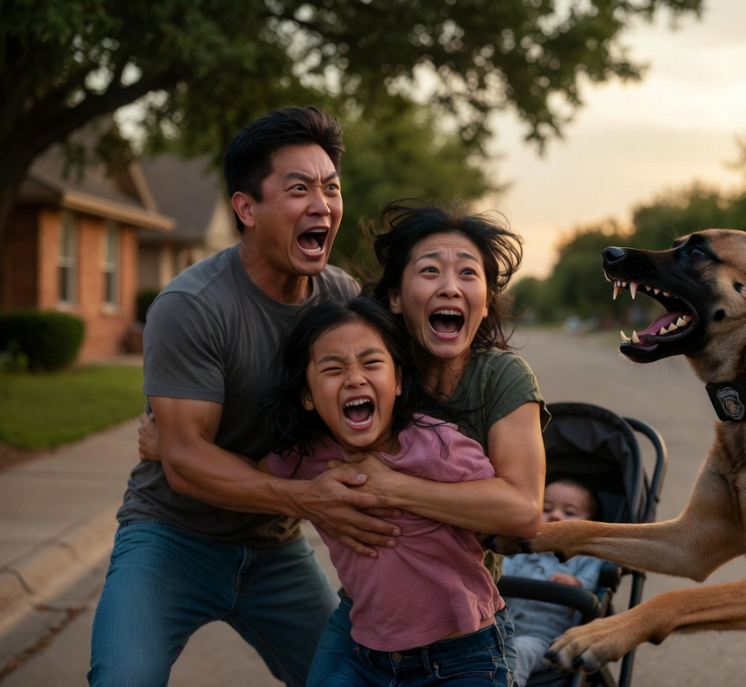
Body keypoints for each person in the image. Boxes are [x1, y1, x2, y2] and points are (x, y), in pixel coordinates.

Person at [88, 106, 395, 687]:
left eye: (330, 187)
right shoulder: (192, 306)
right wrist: (303, 496)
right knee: (123, 678)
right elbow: (186, 462)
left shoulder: (340, 299)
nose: (322, 204)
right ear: (246, 208)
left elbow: (368, 425)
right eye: (299, 187)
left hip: (274, 545)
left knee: (354, 680)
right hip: (172, 537)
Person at [306, 199, 551, 683]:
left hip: (462, 632)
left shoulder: (502, 377)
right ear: (395, 296)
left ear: (484, 301)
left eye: (467, 273)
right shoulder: (368, 371)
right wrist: (175, 446)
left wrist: (390, 488)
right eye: (431, 271)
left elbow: (522, 509)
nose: (450, 286)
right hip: (364, 623)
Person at [259, 296, 509, 686]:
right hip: (369, 661)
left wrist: (404, 490)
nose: (355, 377)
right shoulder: (307, 458)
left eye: (371, 363)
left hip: (461, 657)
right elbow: (251, 477)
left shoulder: (436, 445)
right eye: (333, 368)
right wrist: (168, 447)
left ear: (397, 381)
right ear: (307, 396)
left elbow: (508, 510)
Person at [501, 478, 605, 687]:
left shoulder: (587, 557)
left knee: (520, 651)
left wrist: (576, 584)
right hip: (502, 629)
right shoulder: (520, 550)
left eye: (570, 513)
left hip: (546, 641)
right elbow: (498, 577)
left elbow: (591, 588)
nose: (556, 515)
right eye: (546, 508)